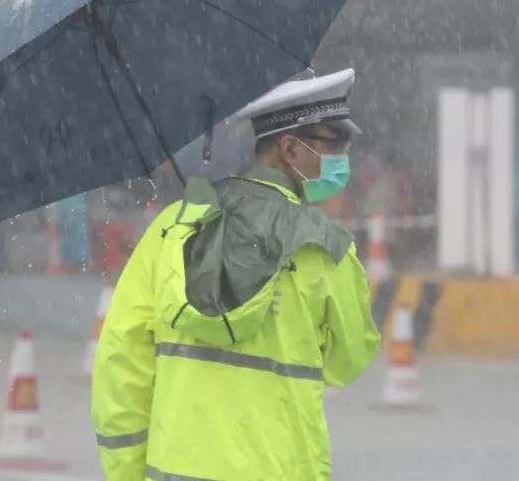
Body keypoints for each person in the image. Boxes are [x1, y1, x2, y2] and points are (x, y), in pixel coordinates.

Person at [92, 69, 381, 480]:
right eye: (334, 143)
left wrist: (126, 472)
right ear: (289, 148)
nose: (343, 157)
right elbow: (348, 359)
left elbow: (122, 363)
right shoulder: (326, 249)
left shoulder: (173, 228)